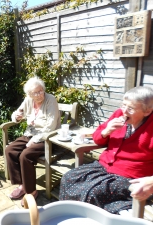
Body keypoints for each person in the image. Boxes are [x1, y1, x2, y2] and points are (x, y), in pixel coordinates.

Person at [59, 86, 153, 214]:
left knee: (92, 193)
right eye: (123, 105)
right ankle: (67, 215)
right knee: (68, 177)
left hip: (129, 176)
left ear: (147, 111)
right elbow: (97, 138)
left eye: (130, 108)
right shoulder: (119, 114)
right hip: (103, 166)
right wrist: (106, 131)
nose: (124, 111)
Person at [6, 76, 60, 206]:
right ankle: (22, 185)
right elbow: (17, 113)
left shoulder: (50, 100)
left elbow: (51, 126)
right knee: (10, 150)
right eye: (36, 92)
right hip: (31, 134)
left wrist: (35, 140)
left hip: (48, 137)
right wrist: (16, 117)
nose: (40, 94)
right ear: (29, 94)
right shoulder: (28, 100)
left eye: (41, 90)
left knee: (25, 155)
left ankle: (31, 192)